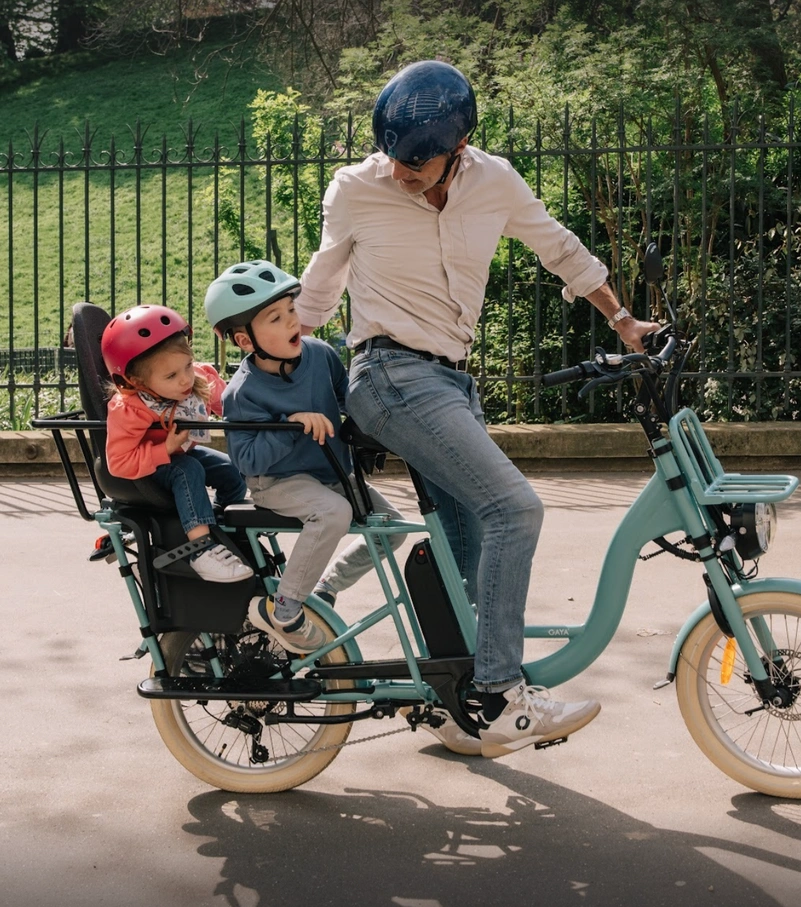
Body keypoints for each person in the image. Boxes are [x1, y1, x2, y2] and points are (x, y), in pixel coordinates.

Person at [294, 60, 660, 758]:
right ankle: (500, 695)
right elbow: (320, 287)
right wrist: (270, 367)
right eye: (392, 157)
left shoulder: (495, 182)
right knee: (514, 509)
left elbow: (561, 249)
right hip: (389, 375)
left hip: (451, 385)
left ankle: (457, 700)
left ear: (458, 148)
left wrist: (624, 321)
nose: (400, 171)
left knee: (467, 547)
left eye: (416, 161)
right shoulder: (356, 188)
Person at [205, 259, 407, 654]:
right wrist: (290, 425)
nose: (292, 323)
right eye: (275, 318)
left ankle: (324, 588)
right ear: (246, 340)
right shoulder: (242, 393)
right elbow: (248, 463)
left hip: (330, 473)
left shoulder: (320, 356)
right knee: (333, 512)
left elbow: (350, 402)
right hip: (277, 483)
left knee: (393, 528)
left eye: (292, 311)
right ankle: (283, 608)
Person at [102, 304, 253, 584]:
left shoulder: (197, 379)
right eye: (171, 376)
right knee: (188, 470)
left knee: (231, 471)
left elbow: (231, 404)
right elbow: (119, 462)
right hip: (152, 465)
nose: (184, 379)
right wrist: (165, 449)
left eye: (186, 365)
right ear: (137, 381)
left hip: (183, 452)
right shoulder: (131, 408)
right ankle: (202, 550)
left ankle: (221, 526)